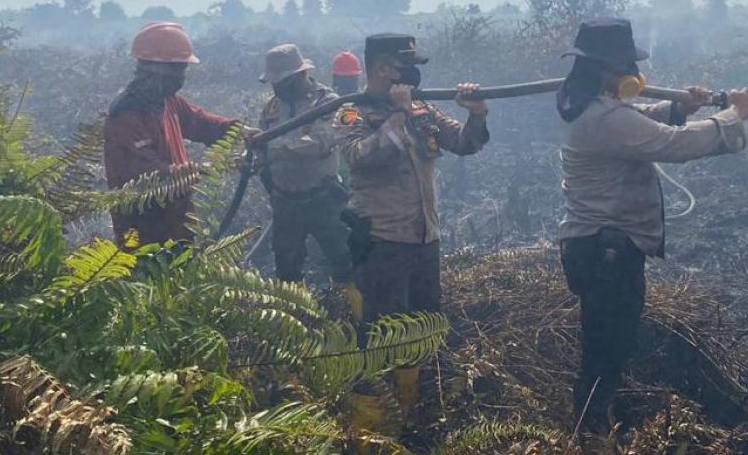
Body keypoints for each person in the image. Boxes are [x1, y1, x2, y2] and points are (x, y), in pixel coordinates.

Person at [555, 18, 748, 435]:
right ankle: (590, 435)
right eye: (624, 65)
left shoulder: (593, 105)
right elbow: (669, 143)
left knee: (611, 346)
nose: (632, 73)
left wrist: (680, 108)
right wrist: (733, 117)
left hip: (603, 248)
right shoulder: (602, 118)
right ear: (604, 70)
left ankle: (598, 427)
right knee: (605, 351)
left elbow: (640, 119)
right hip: (606, 251)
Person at [335, 33, 489, 425]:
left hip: (424, 239)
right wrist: (396, 117)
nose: (415, 74)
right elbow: (358, 157)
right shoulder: (353, 113)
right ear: (384, 68)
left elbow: (464, 143)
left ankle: (411, 416)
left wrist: (477, 113)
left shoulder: (423, 110)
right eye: (407, 66)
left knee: (422, 329)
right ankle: (371, 429)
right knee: (381, 334)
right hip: (382, 242)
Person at [103, 22, 258, 249]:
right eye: (179, 69)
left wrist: (237, 130)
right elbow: (148, 176)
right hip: (143, 229)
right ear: (158, 69)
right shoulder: (126, 115)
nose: (181, 77)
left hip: (177, 219)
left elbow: (199, 121)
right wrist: (208, 167)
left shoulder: (166, 100)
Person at [257, 44, 355, 297]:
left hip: (324, 197)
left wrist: (274, 148)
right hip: (285, 201)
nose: (276, 87)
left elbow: (325, 140)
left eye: (281, 81)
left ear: (299, 75)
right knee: (287, 270)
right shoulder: (272, 108)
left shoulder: (330, 102)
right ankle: (297, 326)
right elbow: (262, 147)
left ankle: (358, 322)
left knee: (346, 262)